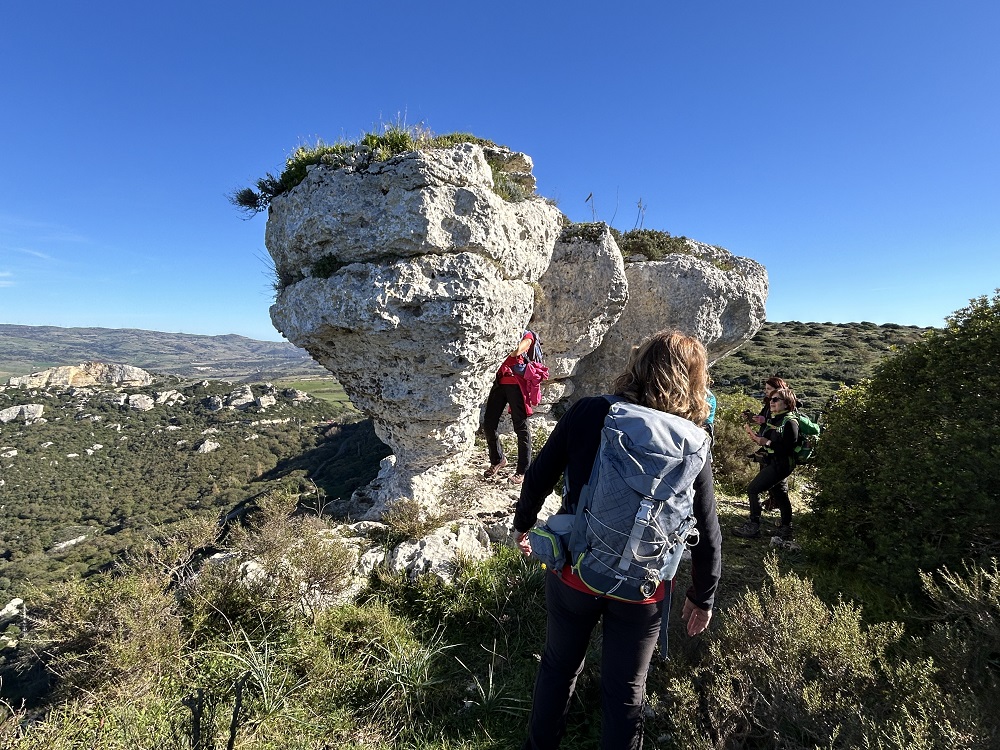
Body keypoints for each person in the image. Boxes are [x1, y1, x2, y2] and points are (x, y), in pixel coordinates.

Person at [512, 330, 722, 750]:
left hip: (575, 570)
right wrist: (703, 597)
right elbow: (707, 528)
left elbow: (540, 474)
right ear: (696, 380)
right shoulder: (694, 442)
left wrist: (524, 525)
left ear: (638, 365)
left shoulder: (591, 411)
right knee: (626, 691)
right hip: (644, 588)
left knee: (558, 667)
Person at [732, 386, 799, 539]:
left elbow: (788, 448)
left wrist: (766, 442)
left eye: (776, 400)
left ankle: (753, 526)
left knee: (753, 490)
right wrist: (758, 439)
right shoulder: (776, 419)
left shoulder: (790, 422)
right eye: (770, 399)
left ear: (787, 403)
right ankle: (786, 529)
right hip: (775, 462)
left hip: (780, 465)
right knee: (780, 494)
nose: (771, 402)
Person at [482, 330, 536, 485]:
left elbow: (517, 352)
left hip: (517, 386)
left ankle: (523, 471)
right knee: (488, 424)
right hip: (500, 383)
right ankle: (498, 459)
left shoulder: (528, 336)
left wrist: (503, 345)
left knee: (521, 428)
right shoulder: (505, 331)